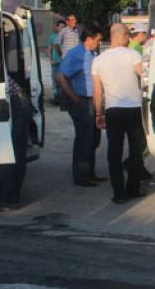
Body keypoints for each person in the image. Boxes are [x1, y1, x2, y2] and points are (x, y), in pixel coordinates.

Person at [92, 24, 149, 204]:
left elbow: (97, 92)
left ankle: (119, 193)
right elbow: (145, 77)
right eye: (128, 35)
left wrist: (98, 114)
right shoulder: (133, 55)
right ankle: (133, 188)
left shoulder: (98, 60)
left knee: (114, 154)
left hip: (112, 110)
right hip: (133, 109)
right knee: (136, 150)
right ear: (123, 35)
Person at [56, 25, 106, 187]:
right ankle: (81, 176)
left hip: (93, 101)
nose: (99, 43)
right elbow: (60, 76)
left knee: (93, 139)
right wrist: (73, 96)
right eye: (97, 40)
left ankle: (90, 173)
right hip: (82, 101)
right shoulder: (75, 54)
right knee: (84, 139)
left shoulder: (92, 54)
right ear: (89, 39)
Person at [0, 76, 31, 212]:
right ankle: (10, 196)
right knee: (15, 153)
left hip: (15, 104)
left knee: (5, 153)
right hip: (19, 101)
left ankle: (8, 200)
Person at [47, 19, 66, 104]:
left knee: (63, 81)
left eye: (63, 27)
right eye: (60, 26)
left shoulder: (67, 37)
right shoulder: (52, 36)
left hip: (64, 63)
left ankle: (61, 98)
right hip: (55, 62)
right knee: (55, 80)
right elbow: (49, 48)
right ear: (57, 27)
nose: (62, 28)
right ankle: (56, 98)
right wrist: (50, 59)